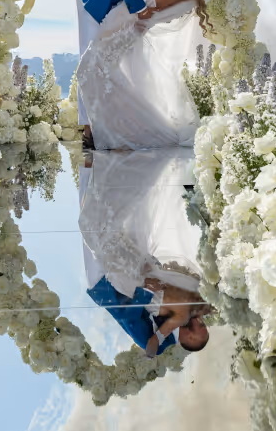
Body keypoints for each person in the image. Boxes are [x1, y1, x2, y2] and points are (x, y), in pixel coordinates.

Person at [77, 0, 211, 150]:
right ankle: (112, 128)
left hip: (122, 23)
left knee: (93, 70)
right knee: (105, 73)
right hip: (129, 28)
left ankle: (115, 130)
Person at [79, 149, 211, 357]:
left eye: (201, 330)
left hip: (106, 287)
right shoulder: (186, 309)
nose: (202, 325)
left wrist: (146, 291)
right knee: (110, 222)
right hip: (132, 271)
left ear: (191, 340)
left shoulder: (159, 344)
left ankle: (89, 164)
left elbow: (129, 319)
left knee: (90, 224)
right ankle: (101, 162)